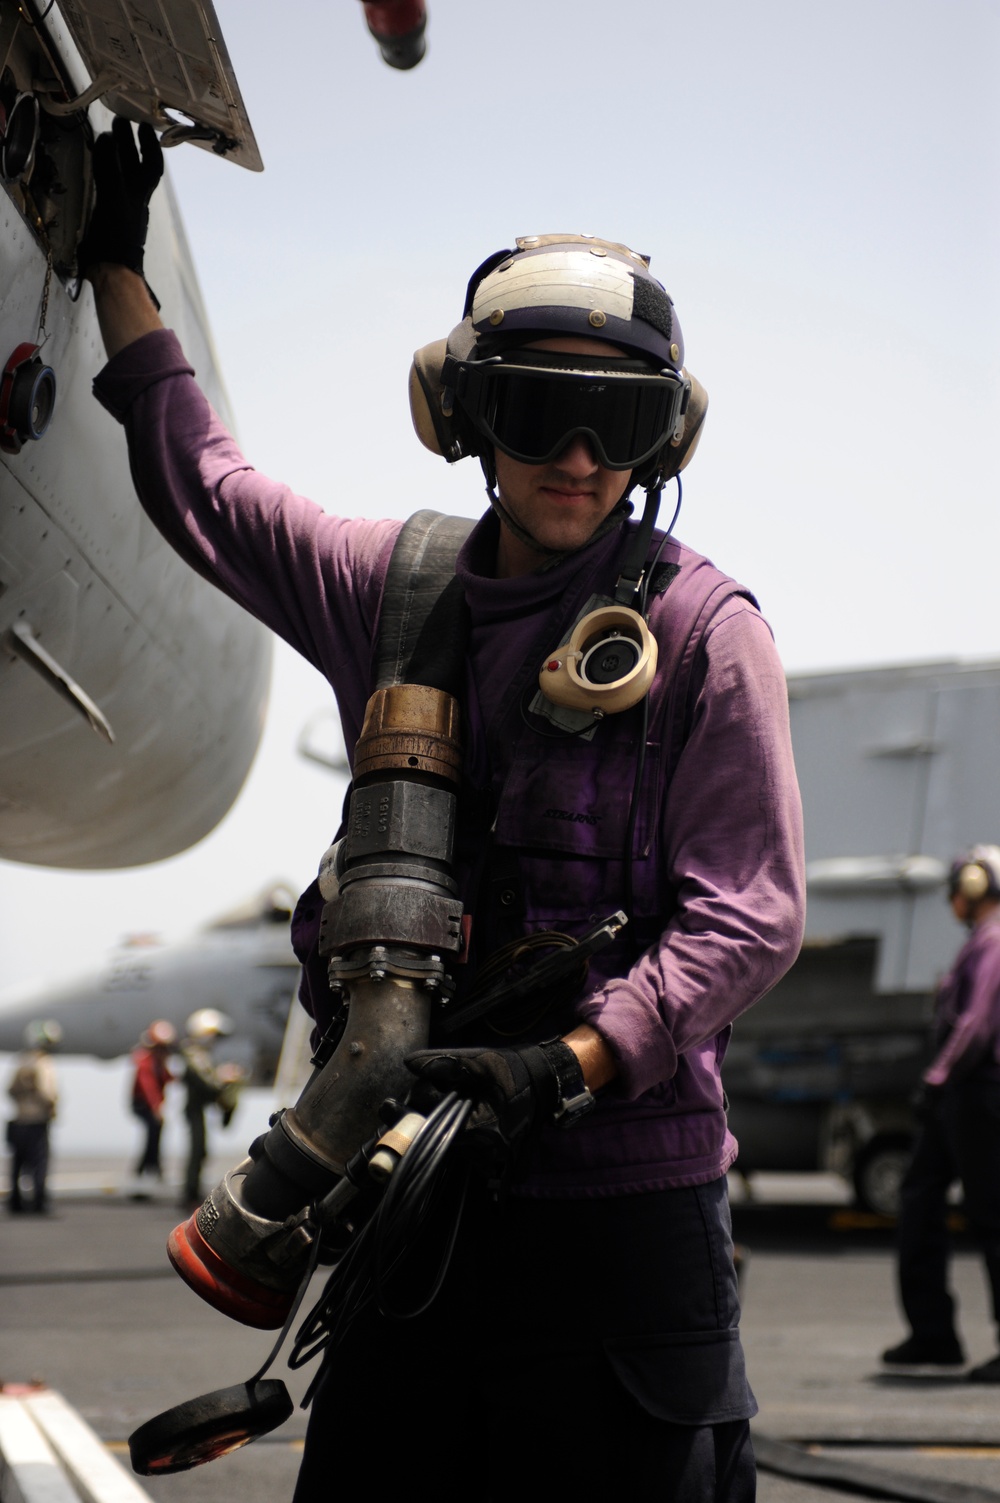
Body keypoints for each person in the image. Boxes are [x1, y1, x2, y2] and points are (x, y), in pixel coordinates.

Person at [81, 120, 805, 1501]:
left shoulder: (710, 634)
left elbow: (753, 913)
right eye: (539, 412)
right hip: (419, 1213)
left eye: (623, 423)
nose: (581, 457)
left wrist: (571, 1061)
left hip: (623, 1225)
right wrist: (120, 268)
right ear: (467, 417)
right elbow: (206, 486)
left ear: (669, 438)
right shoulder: (397, 591)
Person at [882, 845, 1000, 1383]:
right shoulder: (980, 941)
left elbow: (975, 1025)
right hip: (958, 1093)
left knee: (993, 1217)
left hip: (978, 1090)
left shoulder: (995, 940)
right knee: (920, 1201)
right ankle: (933, 1333)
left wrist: (935, 1079)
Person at [178, 1008, 243, 1209]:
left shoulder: (200, 1055)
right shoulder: (194, 1056)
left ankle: (193, 1192)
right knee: (197, 1150)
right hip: (194, 1110)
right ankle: (189, 1194)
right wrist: (222, 1078)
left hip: (198, 1110)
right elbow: (207, 1084)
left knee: (201, 1151)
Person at [6, 1019, 61, 1214]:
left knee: (18, 1163)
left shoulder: (22, 1062)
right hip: (37, 1121)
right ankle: (39, 1203)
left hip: (19, 1120)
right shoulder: (43, 1063)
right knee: (39, 1163)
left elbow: (10, 1090)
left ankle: (15, 1202)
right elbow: (48, 1091)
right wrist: (52, 1106)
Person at [129, 1019, 177, 1193]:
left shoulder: (158, 1061)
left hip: (152, 1105)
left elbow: (167, 1078)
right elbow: (148, 1086)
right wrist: (156, 1106)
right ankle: (146, 1169)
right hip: (142, 1104)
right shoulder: (145, 1062)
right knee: (152, 1132)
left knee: (155, 1132)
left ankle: (152, 1167)